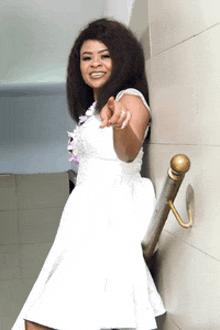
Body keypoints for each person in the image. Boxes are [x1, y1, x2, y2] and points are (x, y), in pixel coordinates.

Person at [12, 18, 165, 330]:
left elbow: (128, 153)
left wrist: (120, 124)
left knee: (42, 320)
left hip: (108, 220)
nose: (95, 64)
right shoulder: (96, 108)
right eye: (87, 57)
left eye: (105, 55)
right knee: (57, 319)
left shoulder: (129, 99)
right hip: (85, 219)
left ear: (122, 59)